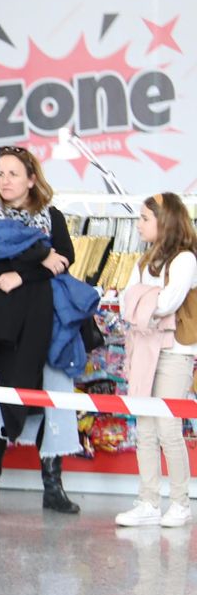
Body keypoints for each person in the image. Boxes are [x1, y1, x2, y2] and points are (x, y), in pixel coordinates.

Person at [0, 146, 80, 515]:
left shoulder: (52, 216)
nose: (6, 180)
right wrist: (39, 259)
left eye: (14, 173)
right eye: (1, 173)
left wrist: (24, 271)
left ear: (32, 179)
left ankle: (53, 489)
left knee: (55, 398)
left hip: (48, 322)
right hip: (1, 323)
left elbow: (65, 258)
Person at [115, 194, 197, 529]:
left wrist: (140, 300)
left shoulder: (185, 260)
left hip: (174, 350)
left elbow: (167, 302)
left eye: (145, 218)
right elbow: (125, 301)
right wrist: (143, 302)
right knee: (145, 427)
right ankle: (148, 500)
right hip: (144, 346)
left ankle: (180, 502)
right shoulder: (143, 259)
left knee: (168, 426)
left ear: (165, 221)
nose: (139, 224)